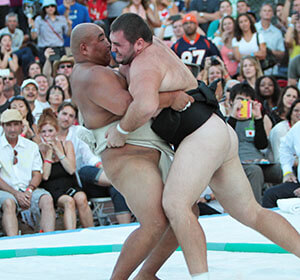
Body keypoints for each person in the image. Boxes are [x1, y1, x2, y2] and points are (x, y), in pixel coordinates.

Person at [107, 13, 300, 279]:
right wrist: (171, 96)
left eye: (118, 45)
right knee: (251, 212)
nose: (112, 49)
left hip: (201, 135)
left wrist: (120, 131)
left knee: (176, 205)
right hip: (215, 132)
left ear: (139, 44)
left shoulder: (144, 63)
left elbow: (145, 105)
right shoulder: (153, 50)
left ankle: (201, 277)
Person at [70, 22, 192, 280]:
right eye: (101, 39)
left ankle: (146, 275)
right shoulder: (92, 74)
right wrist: (172, 98)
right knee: (156, 222)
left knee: (185, 215)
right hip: (126, 156)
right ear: (84, 48)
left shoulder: (98, 71)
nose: (108, 44)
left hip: (142, 150)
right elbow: (130, 106)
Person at [56, 102, 132, 224]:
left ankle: (125, 228)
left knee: (115, 188)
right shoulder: (49, 134)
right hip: (80, 181)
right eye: (64, 114)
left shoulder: (79, 131)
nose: (67, 118)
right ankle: (121, 181)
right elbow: (88, 160)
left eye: (71, 116)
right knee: (85, 170)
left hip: (100, 178)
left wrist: (104, 168)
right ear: (57, 114)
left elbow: (89, 156)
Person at [0, 109, 55, 236]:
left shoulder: (31, 146)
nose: (12, 129)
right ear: (3, 126)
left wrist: (29, 191)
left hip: (28, 189)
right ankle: (13, 242)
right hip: (6, 191)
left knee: (46, 199)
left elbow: (37, 173)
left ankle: (49, 240)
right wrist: (16, 193)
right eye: (9, 125)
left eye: (15, 124)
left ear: (21, 126)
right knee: (9, 202)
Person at [37, 108, 94, 230]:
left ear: (56, 131)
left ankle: (91, 232)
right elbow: (45, 176)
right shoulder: (38, 149)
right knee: (69, 201)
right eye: (44, 132)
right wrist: (48, 153)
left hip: (69, 184)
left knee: (81, 198)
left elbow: (71, 169)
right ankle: (70, 236)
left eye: (50, 131)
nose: (47, 135)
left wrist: (57, 150)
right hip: (52, 187)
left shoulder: (67, 144)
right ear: (40, 134)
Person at [227, 83, 283, 204]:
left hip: (258, 160)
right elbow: (225, 141)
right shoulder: (226, 120)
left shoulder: (254, 120)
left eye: (247, 100)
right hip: (237, 163)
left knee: (282, 169)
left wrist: (258, 118)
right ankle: (256, 210)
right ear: (231, 101)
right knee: (255, 171)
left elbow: (261, 145)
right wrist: (234, 116)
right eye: (240, 99)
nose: (243, 103)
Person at [262, 116, 300, 208]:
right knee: (270, 195)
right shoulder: (298, 127)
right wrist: (287, 171)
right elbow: (285, 147)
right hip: (298, 183)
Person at [29, 0, 72, 65]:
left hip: (59, 49)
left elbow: (68, 34)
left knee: (60, 69)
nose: (50, 8)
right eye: (47, 7)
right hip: (45, 49)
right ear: (44, 8)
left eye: (52, 6)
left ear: (55, 7)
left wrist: (69, 25)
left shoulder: (61, 18)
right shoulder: (39, 19)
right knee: (46, 70)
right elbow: (34, 37)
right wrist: (32, 27)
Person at [254, 3, 285, 75]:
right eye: (264, 10)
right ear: (260, 13)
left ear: (273, 14)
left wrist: (269, 51)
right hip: (255, 67)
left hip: (271, 69)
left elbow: (282, 53)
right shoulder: (253, 29)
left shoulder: (277, 32)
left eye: (269, 11)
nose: (267, 12)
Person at [269, 98, 300, 163]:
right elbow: (279, 159)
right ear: (290, 112)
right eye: (296, 110)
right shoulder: (280, 130)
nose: (299, 113)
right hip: (276, 167)